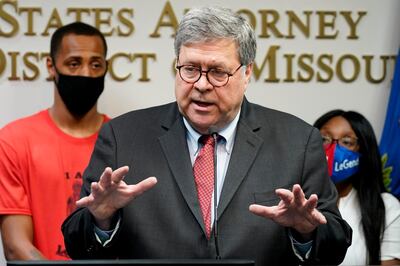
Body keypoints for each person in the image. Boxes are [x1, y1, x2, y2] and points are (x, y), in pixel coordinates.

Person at [62, 6, 352, 266]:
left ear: (247, 72)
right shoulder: (123, 136)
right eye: (190, 69)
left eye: (217, 72)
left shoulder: (297, 142)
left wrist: (306, 231)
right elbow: (77, 245)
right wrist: (101, 219)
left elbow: (335, 245)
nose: (201, 85)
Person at [0, 22, 110, 260]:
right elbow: (15, 245)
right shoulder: (14, 140)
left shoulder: (122, 138)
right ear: (51, 66)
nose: (86, 73)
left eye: (95, 64)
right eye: (74, 63)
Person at [314, 110, 400, 266]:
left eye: (347, 142)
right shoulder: (293, 199)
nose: (334, 148)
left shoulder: (387, 207)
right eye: (323, 138)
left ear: (364, 150)